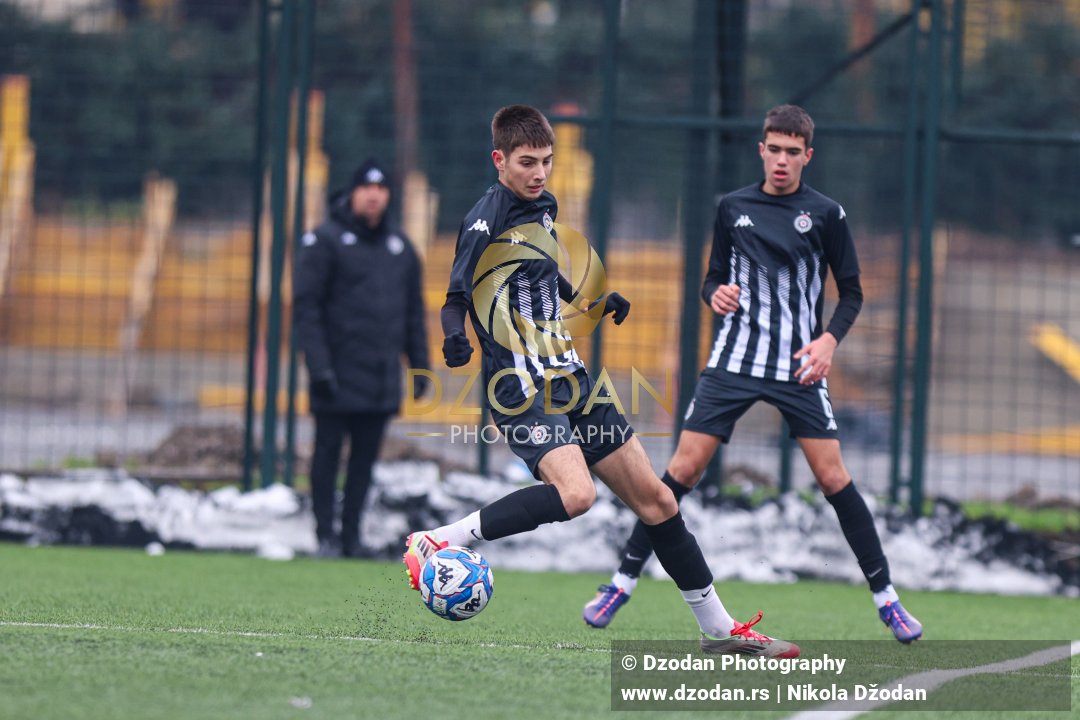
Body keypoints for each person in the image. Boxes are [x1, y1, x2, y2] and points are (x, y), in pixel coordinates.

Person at [402, 104, 798, 658]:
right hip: (518, 388)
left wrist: (588, 300)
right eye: (527, 162)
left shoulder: (543, 206)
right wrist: (454, 337)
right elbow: (456, 298)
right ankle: (441, 540)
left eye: (546, 161)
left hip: (570, 377)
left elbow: (540, 269)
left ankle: (720, 630)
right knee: (578, 494)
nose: (539, 173)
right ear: (499, 160)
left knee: (658, 501)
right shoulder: (483, 221)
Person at [581, 104, 923, 644]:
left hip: (798, 366)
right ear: (761, 149)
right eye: (775, 149)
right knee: (679, 473)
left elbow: (852, 291)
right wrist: (713, 293)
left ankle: (888, 601)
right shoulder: (733, 207)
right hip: (733, 363)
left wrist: (829, 341)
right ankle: (621, 582)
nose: (782, 160)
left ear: (807, 156)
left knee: (834, 478)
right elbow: (713, 278)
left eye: (793, 152)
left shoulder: (827, 215)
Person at [294, 158, 430, 558]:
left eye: (382, 188)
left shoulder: (400, 249)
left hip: (380, 378)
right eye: (366, 188)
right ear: (353, 192)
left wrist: (420, 367)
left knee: (364, 463)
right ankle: (325, 535)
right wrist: (318, 365)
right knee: (327, 456)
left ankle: (352, 537)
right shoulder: (324, 241)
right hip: (335, 374)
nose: (374, 195)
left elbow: (412, 314)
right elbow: (307, 309)